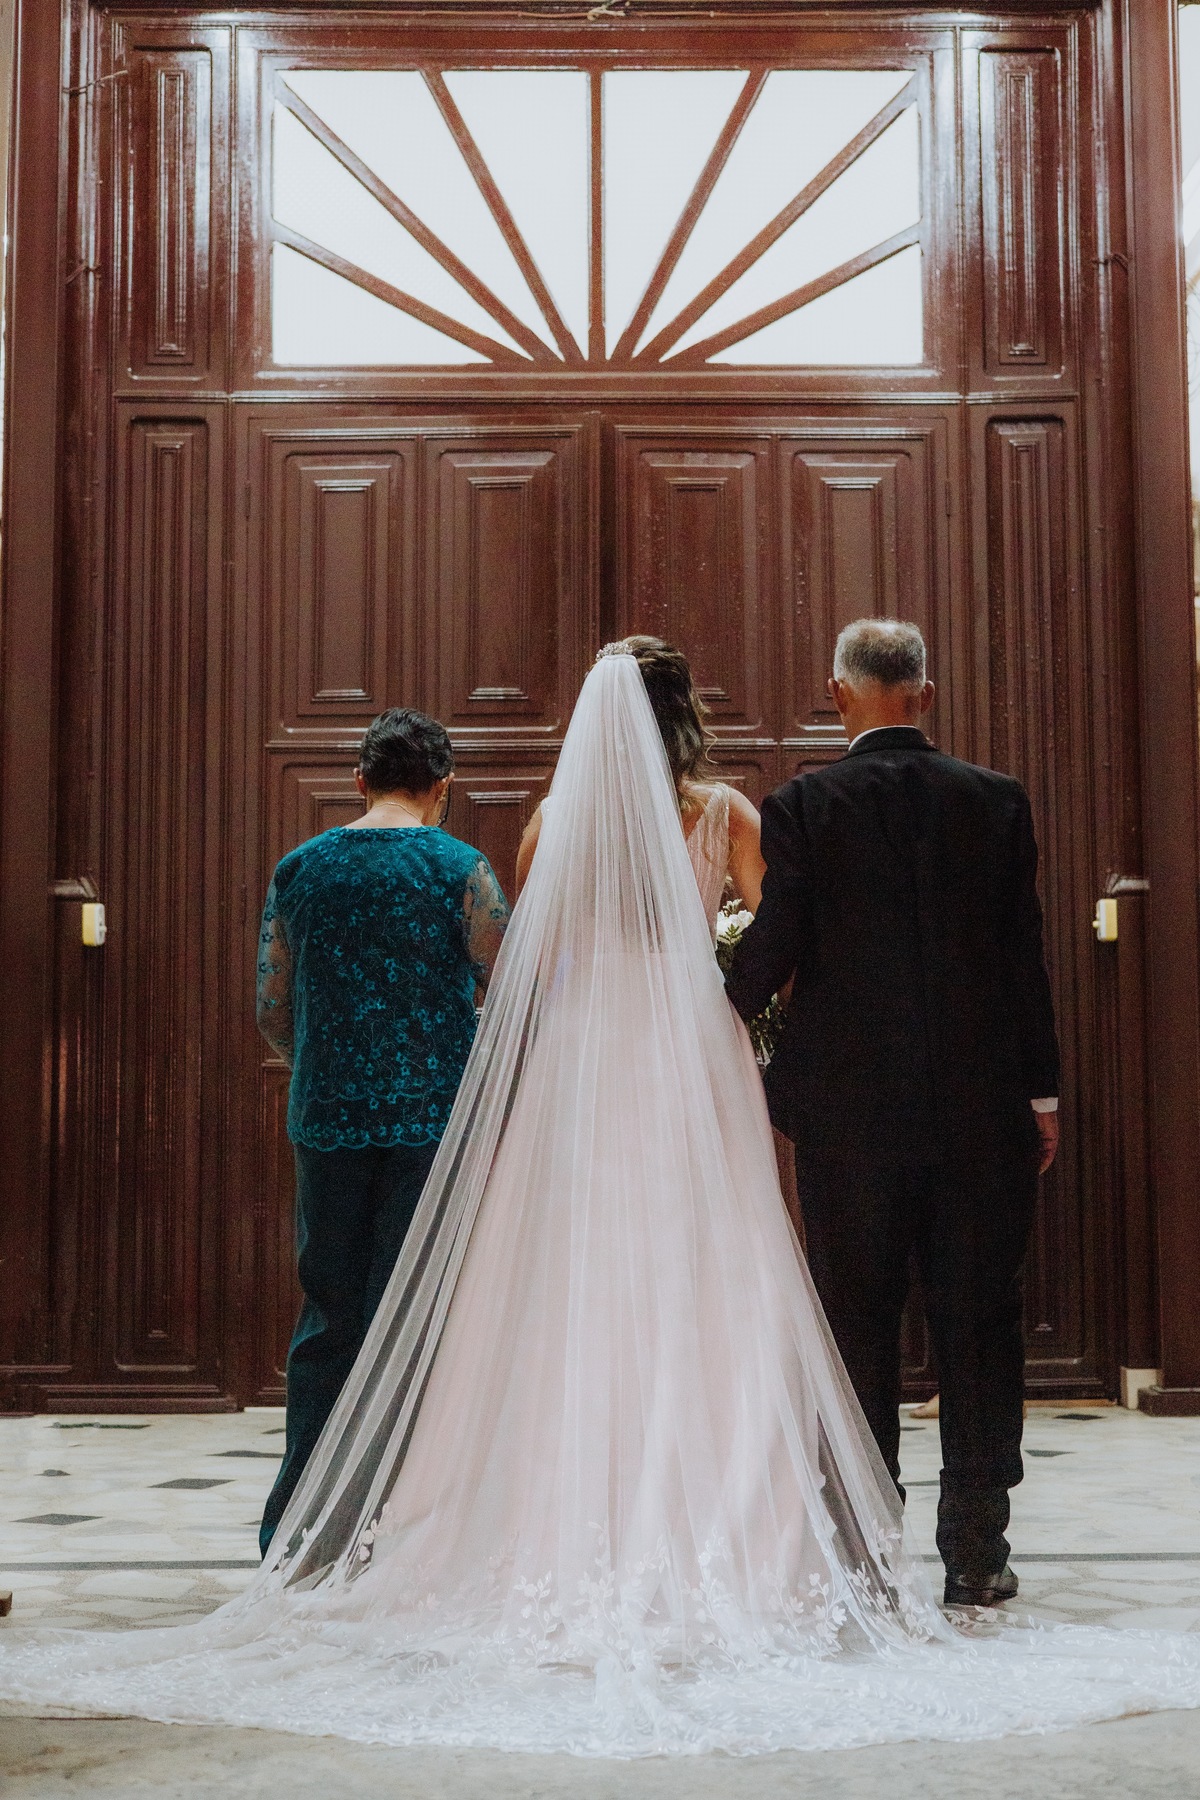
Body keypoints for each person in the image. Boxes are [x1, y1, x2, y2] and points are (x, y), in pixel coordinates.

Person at [2, 646, 1200, 1755]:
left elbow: (533, 959)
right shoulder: (728, 813)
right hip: (682, 1046)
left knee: (565, 1270)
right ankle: (794, 1528)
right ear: (686, 714)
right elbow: (767, 934)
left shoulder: (545, 822)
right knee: (707, 1258)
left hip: (583, 1052)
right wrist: (719, 992)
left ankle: (517, 1508)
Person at [726, 618, 1059, 1609]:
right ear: (927, 693)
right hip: (981, 1113)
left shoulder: (804, 806)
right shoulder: (996, 803)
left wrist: (706, 1011)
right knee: (979, 1328)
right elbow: (1023, 962)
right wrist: (1040, 1096)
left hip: (849, 1119)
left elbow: (775, 946)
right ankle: (978, 1554)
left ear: (839, 696)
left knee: (857, 1324)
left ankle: (867, 1550)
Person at [255, 706, 509, 1553]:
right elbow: (499, 984)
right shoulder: (460, 868)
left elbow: (272, 1007)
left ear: (359, 780)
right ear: (443, 788)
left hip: (326, 1117)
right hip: (432, 1122)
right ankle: (400, 1529)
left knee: (329, 1317)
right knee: (415, 1320)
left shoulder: (301, 870)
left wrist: (327, 1059)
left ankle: (299, 1527)